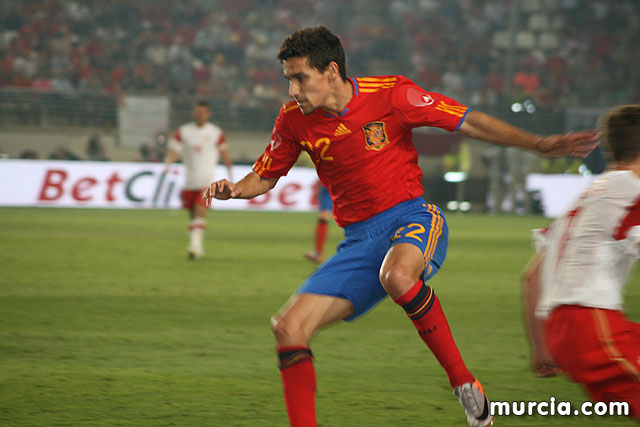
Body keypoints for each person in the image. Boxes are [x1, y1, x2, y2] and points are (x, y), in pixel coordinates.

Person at [203, 26, 598, 427]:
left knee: (397, 275)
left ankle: (463, 382)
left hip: (412, 219)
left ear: (332, 71)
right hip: (359, 242)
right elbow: (265, 175)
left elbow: (468, 122)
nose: (293, 91)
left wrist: (537, 144)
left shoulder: (392, 94)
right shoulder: (293, 120)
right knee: (288, 328)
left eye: (300, 78)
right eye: (289, 80)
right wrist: (235, 189)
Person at [523, 104, 640, 420]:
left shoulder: (588, 196)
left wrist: (542, 349)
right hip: (593, 325)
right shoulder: (632, 191)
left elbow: (532, 276)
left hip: (563, 332)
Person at [164, 101, 233, 259]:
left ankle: (194, 247)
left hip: (207, 181)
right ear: (193, 113)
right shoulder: (183, 131)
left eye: (203, 112)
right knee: (192, 215)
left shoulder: (216, 132)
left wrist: (230, 172)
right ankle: (197, 246)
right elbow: (174, 151)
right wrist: (168, 165)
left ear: (208, 114)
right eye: (197, 112)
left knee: (200, 211)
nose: (200, 115)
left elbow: (224, 153)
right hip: (189, 181)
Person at [304, 184, 332, 264]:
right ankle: (318, 253)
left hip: (331, 185)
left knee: (324, 217)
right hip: (343, 184)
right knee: (352, 218)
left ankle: (318, 253)